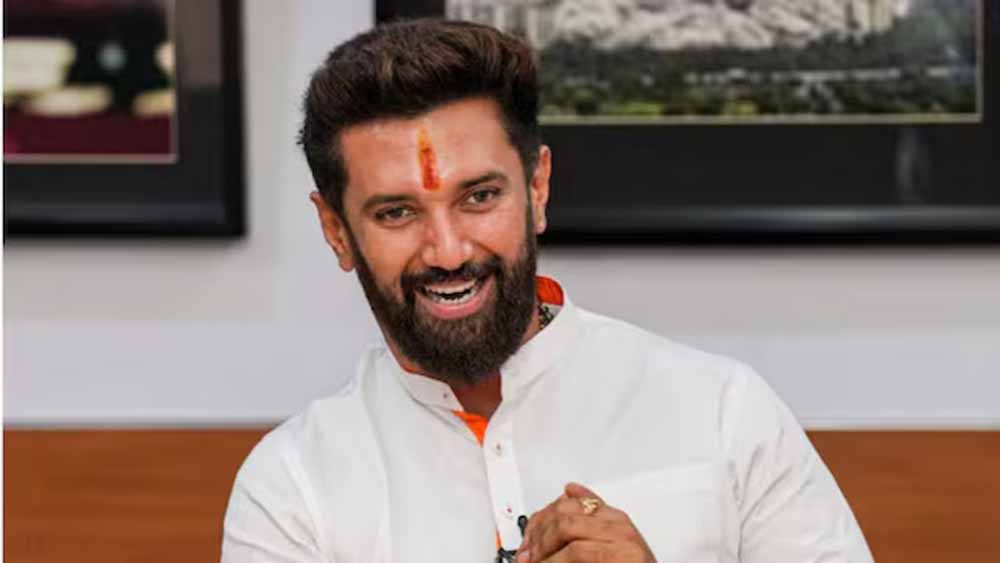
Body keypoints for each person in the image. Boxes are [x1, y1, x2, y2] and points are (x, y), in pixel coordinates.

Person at [221, 19, 873, 563]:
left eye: (480, 197)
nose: (448, 251)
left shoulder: (725, 411)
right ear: (336, 231)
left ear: (537, 189)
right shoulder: (290, 490)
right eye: (397, 212)